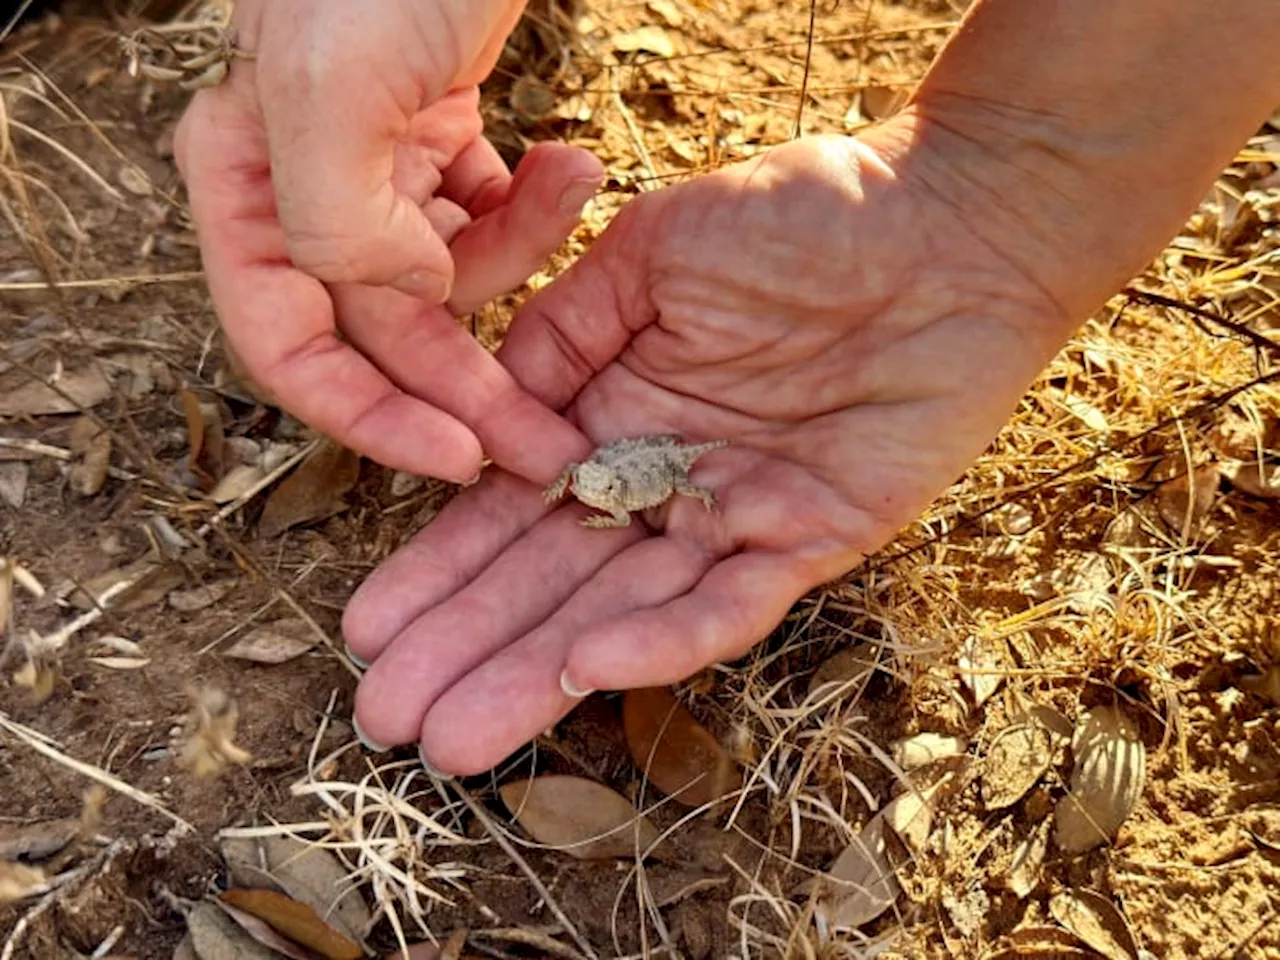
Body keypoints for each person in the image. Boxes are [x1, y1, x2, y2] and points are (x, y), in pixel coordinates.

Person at [174, 0, 1280, 776]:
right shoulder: (609, 477)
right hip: (638, 458)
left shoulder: (655, 478)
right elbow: (603, 481)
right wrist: (985, 188)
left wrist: (996, 196)